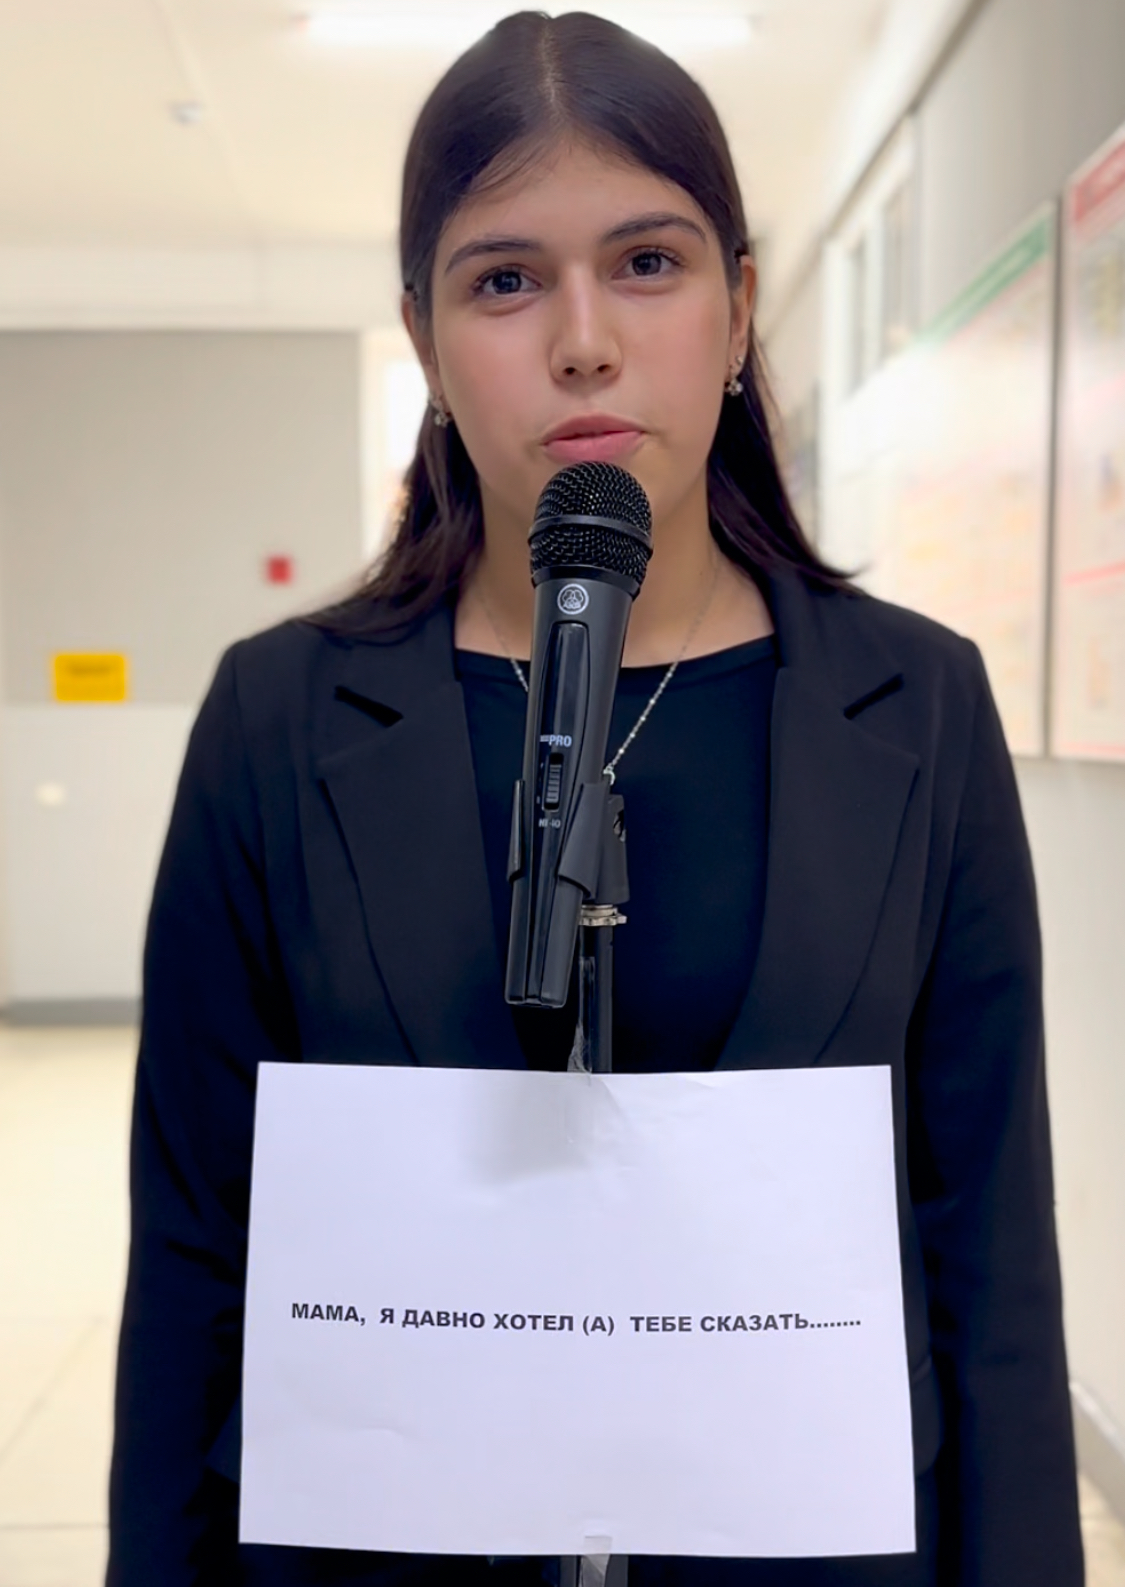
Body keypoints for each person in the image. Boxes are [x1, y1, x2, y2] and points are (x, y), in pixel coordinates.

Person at [107, 12, 1084, 1586]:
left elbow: (987, 1245)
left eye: (646, 262)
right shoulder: (277, 720)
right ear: (424, 338)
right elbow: (194, 1248)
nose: (582, 340)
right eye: (504, 280)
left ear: (737, 306)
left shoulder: (915, 702)